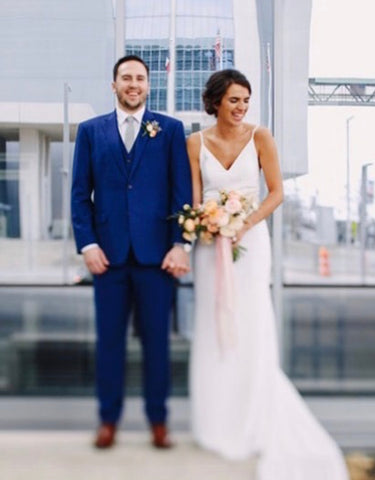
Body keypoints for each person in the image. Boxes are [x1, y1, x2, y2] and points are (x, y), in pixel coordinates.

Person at [186, 69, 349, 479]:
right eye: (233, 100)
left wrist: (244, 224)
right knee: (212, 325)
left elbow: (277, 192)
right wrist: (201, 223)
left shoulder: (261, 137)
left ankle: (253, 414)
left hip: (251, 243)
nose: (241, 108)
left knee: (251, 323)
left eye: (246, 100)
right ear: (216, 102)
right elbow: (191, 199)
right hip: (209, 247)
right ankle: (215, 420)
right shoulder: (193, 143)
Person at [71, 55, 192, 449]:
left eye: (140, 78)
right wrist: (87, 244)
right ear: (114, 85)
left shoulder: (171, 130)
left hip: (157, 258)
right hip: (107, 258)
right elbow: (79, 196)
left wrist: (180, 243)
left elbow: (181, 193)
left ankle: (158, 421)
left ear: (148, 84)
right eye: (126, 78)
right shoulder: (90, 132)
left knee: (157, 342)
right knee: (110, 343)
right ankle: (108, 420)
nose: (133, 84)